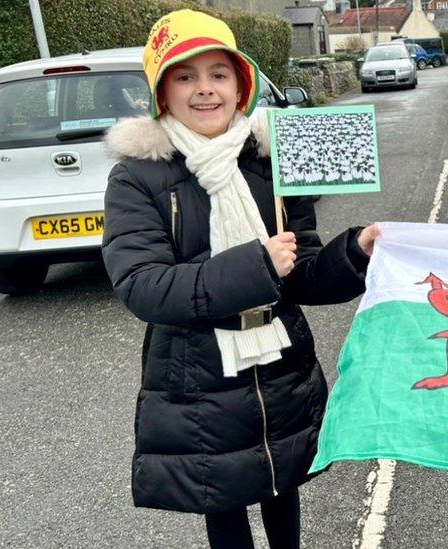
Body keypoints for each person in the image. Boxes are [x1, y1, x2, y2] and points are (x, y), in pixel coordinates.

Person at [101, 10, 379, 548]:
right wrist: (256, 265)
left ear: (241, 84)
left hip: (279, 364)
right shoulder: (137, 175)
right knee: (222, 499)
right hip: (198, 371)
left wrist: (358, 251)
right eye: (186, 76)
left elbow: (301, 273)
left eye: (219, 75)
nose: (205, 90)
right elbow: (142, 283)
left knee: (281, 485)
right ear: (162, 91)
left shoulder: (271, 158)